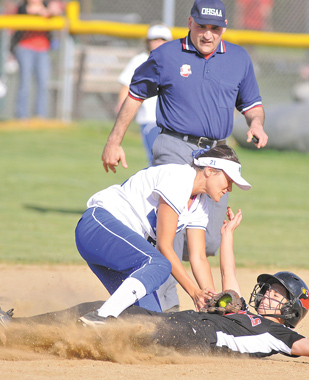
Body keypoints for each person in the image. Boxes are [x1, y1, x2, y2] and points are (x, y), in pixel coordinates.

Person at [0, 208, 309, 368]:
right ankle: (10, 329)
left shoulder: (282, 336)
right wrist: (229, 232)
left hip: (182, 340)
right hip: (170, 320)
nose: (269, 295)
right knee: (98, 309)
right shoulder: (241, 309)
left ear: (292, 311)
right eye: (269, 289)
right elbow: (229, 272)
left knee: (109, 329)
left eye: (279, 295)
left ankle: (47, 339)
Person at [101, 0, 268, 312]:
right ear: (190, 22)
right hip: (175, 146)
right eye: (202, 26)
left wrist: (256, 123)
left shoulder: (238, 59)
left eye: (215, 28)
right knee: (170, 233)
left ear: (225, 28)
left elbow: (252, 105)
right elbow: (135, 95)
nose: (207, 34)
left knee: (207, 241)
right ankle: (166, 308)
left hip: (218, 153)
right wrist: (114, 140)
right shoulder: (166, 55)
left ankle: (208, 302)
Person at [75, 145, 252, 323]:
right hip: (98, 227)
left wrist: (212, 303)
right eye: (228, 180)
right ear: (210, 170)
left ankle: (66, 327)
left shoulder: (201, 203)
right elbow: (163, 247)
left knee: (152, 323)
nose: (229, 188)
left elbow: (198, 257)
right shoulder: (180, 178)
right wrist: (194, 292)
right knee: (159, 264)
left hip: (123, 253)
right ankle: (101, 317)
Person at [116, 24, 173, 165]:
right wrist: (121, 109)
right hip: (150, 119)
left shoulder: (175, 60)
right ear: (147, 41)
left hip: (172, 120)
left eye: (162, 39)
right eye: (155, 39)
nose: (158, 43)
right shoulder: (140, 60)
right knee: (156, 158)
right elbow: (126, 86)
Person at [12, 0, 64, 119]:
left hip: (43, 49)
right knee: (25, 82)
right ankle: (22, 115)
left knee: (43, 83)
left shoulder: (46, 5)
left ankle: (40, 115)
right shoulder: (22, 8)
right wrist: (44, 11)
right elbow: (29, 11)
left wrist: (51, 10)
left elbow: (58, 10)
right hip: (25, 47)